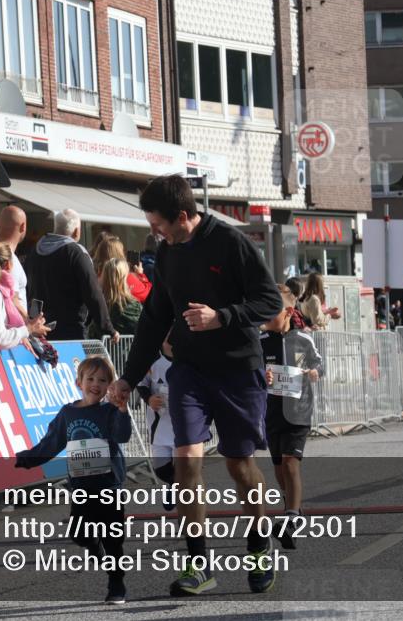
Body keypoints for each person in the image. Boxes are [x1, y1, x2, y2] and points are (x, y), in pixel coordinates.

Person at [110, 175, 283, 596]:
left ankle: (259, 547)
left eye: (158, 224)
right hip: (188, 369)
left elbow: (271, 302)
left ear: (184, 216)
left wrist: (221, 317)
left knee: (239, 465)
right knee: (185, 461)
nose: (155, 233)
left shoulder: (232, 243)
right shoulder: (167, 252)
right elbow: (154, 318)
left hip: (237, 369)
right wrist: (129, 377)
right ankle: (199, 564)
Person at [16, 355, 131, 605]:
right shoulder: (67, 413)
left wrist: (123, 410)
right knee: (79, 533)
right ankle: (95, 547)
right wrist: (27, 458)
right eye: (90, 379)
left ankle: (116, 583)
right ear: (79, 382)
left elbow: (122, 436)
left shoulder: (110, 411)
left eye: (103, 380)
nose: (96, 384)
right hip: (81, 486)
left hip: (109, 485)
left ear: (109, 386)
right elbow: (52, 442)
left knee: (113, 538)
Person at [260, 283, 324, 550]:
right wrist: (263, 376)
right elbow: (253, 370)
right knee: (279, 468)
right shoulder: (261, 341)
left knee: (290, 464)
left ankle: (291, 517)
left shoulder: (303, 339)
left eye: (271, 312)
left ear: (287, 312)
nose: (265, 317)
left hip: (298, 411)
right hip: (272, 412)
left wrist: (315, 372)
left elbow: (319, 362)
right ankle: (292, 506)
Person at [25, 209, 118, 342]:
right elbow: (93, 292)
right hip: (71, 332)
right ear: (76, 231)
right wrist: (108, 328)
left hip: (39, 330)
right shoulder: (76, 253)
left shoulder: (34, 252)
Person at [138, 337, 178, 510]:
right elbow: (142, 385)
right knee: (161, 469)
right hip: (159, 426)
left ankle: (189, 514)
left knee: (186, 469)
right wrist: (149, 399)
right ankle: (173, 484)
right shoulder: (154, 361)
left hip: (184, 427)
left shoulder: (191, 359)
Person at [0, 205, 29, 312]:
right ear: (23, 227)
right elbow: (12, 300)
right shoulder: (6, 258)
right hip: (8, 322)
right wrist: (30, 321)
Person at [90, 258, 141, 339]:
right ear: (124, 278)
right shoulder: (135, 307)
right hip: (129, 346)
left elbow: (92, 334)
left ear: (104, 277)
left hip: (102, 347)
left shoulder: (99, 305)